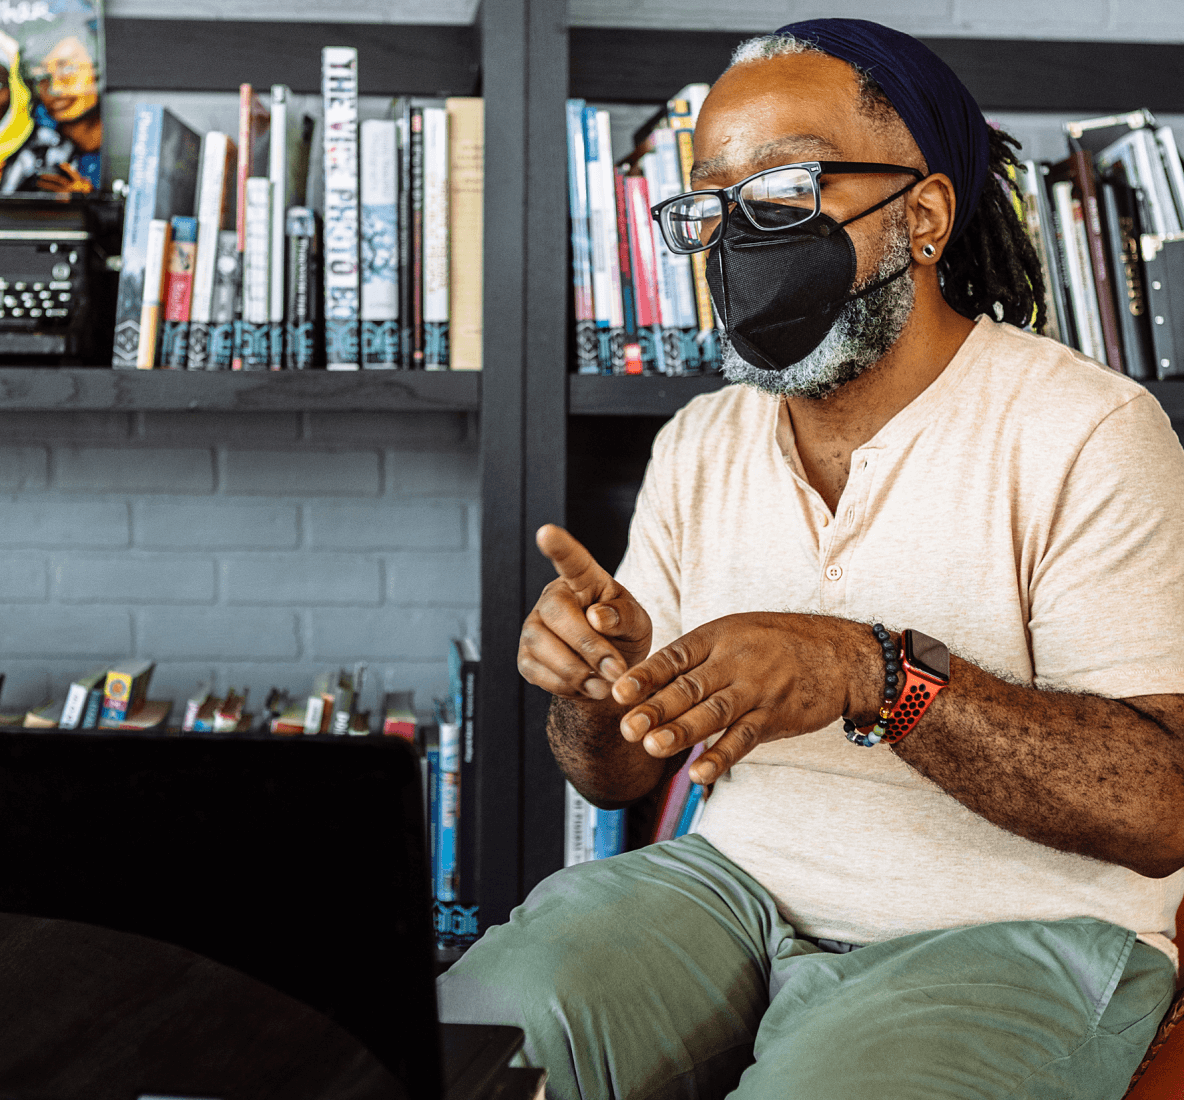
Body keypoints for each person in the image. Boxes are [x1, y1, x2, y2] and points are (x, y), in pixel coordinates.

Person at [438, 18, 1184, 1100]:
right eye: (710, 200)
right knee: (464, 1044)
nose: (740, 234)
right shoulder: (701, 439)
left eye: (783, 187)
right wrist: (595, 685)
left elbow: (1157, 804)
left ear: (921, 216)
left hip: (1015, 931)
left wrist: (872, 671)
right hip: (728, 888)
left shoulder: (1085, 430)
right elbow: (613, 771)